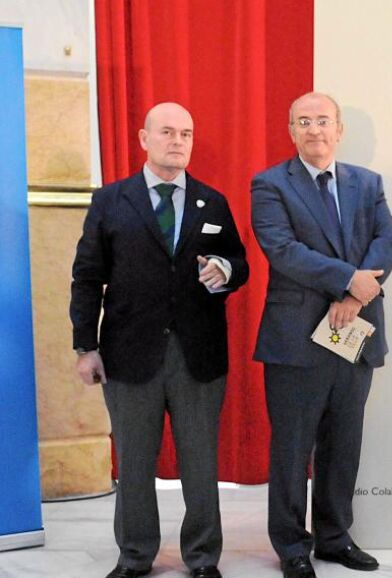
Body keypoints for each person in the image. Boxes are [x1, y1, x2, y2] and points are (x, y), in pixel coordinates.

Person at [70, 102, 249, 578]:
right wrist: (85, 346)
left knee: (200, 462)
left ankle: (203, 557)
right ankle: (134, 557)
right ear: (144, 139)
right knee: (133, 463)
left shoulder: (213, 202)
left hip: (198, 355)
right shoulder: (111, 200)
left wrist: (225, 269)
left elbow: (239, 262)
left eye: (186, 133)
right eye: (167, 132)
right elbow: (86, 277)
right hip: (128, 355)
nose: (178, 141)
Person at [251, 92, 392, 578]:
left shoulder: (368, 183)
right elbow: (283, 250)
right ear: (291, 131)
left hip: (355, 332)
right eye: (304, 122)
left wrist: (354, 297)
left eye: (323, 120)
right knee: (293, 449)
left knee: (343, 444)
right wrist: (347, 280)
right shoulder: (270, 184)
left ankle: (335, 538)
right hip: (295, 339)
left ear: (339, 129)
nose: (314, 130)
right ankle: (292, 545)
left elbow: (386, 242)